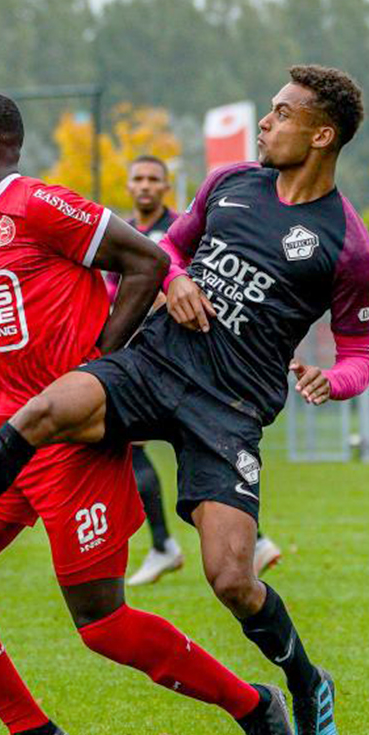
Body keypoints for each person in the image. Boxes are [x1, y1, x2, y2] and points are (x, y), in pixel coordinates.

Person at [0, 66, 369, 735]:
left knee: (231, 579)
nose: (264, 123)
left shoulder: (349, 245)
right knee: (44, 410)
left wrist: (330, 381)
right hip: (157, 367)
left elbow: (361, 351)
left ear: (322, 133)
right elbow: (169, 249)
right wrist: (179, 277)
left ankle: (304, 685)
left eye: (280, 114)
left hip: (230, 408)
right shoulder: (230, 185)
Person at [113, 155, 283, 587]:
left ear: (166, 186)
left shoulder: (184, 228)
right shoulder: (125, 231)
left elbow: (199, 278)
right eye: (138, 178)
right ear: (129, 185)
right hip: (141, 348)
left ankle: (168, 545)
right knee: (149, 444)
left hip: (185, 354)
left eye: (154, 179)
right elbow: (115, 288)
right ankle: (199, 543)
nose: (145, 186)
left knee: (168, 442)